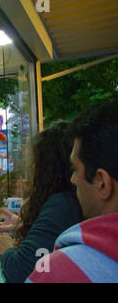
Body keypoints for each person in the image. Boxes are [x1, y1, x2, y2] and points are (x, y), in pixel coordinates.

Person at [26, 101, 118, 283]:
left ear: (102, 184)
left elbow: (23, 264)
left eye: (75, 169)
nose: (73, 180)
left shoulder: (59, 271)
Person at [0, 120, 84, 283]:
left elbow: (23, 270)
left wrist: (8, 249)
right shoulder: (70, 199)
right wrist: (29, 226)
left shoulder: (61, 204)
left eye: (35, 163)